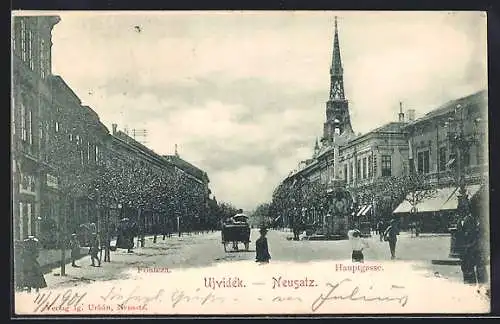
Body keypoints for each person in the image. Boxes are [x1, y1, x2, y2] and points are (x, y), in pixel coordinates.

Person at [457, 205, 488, 285]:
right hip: (466, 250)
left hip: (474, 249)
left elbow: (476, 235)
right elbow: (460, 236)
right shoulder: (461, 221)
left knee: (479, 269)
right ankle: (470, 286)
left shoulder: (473, 220)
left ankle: (481, 287)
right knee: (467, 269)